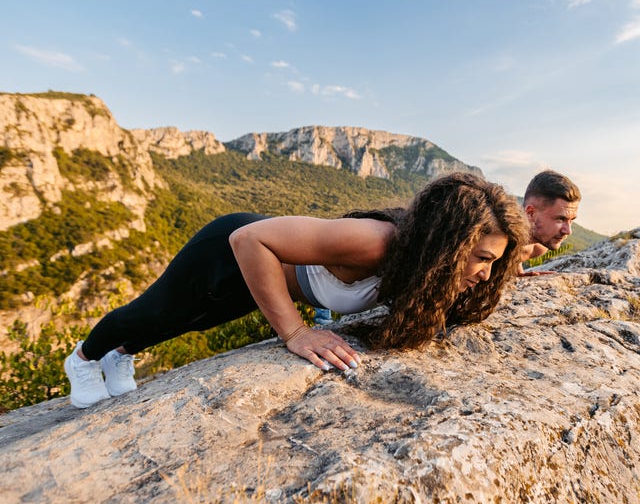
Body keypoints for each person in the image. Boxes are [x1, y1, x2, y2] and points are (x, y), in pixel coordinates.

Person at [64, 172, 529, 408]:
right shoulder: (376, 242)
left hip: (261, 280)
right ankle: (84, 358)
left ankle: (119, 353)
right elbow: (250, 240)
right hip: (230, 250)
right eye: (484, 259)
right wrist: (294, 333)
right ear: (448, 243)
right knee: (153, 311)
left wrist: (512, 271)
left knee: (186, 321)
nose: (486, 273)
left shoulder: (430, 267)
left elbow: (483, 279)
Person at [519, 170, 581, 275]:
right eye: (560, 219)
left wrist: (517, 272)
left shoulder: (539, 248)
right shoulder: (496, 238)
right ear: (531, 213)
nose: (568, 231)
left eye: (571, 221)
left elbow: (515, 254)